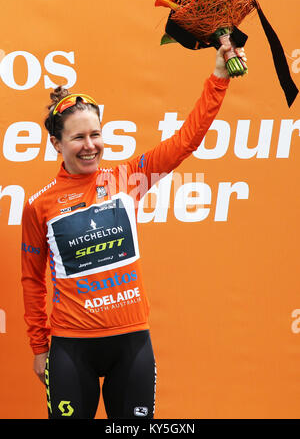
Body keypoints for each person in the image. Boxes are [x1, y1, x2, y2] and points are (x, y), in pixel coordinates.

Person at [21, 45, 245, 419]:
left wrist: (219, 77)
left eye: (96, 134)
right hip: (70, 349)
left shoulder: (128, 178)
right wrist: (39, 347)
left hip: (132, 344)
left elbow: (187, 140)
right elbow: (31, 280)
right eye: (78, 138)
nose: (90, 146)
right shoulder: (39, 205)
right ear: (57, 144)